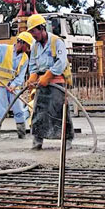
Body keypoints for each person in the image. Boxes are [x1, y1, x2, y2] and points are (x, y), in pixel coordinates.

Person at [25, 13, 73, 150]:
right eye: (31, 33)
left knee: (59, 111)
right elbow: (33, 64)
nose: (33, 35)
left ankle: (67, 139)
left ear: (42, 28)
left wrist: (48, 75)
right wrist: (33, 77)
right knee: (39, 111)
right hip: (41, 83)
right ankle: (37, 140)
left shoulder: (57, 42)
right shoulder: (34, 46)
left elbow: (61, 62)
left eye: (34, 32)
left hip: (57, 82)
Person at [0, 32, 33, 139]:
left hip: (14, 87)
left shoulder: (25, 58)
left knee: (19, 109)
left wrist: (14, 85)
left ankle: (21, 134)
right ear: (21, 43)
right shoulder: (4, 49)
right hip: (1, 84)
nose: (27, 49)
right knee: (0, 109)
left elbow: (21, 75)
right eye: (27, 46)